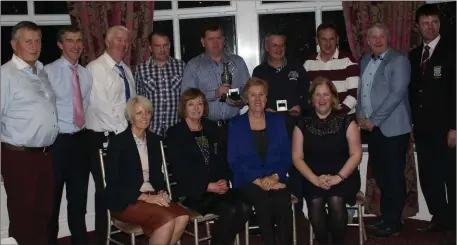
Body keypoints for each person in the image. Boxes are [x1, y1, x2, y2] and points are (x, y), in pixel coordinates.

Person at [166, 88, 251, 245]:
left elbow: (225, 159)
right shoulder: (175, 134)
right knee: (231, 210)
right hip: (193, 191)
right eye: (191, 104)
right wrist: (207, 186)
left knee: (245, 208)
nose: (196, 108)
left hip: (217, 188)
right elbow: (179, 171)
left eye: (200, 103)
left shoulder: (212, 128)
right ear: (184, 107)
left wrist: (225, 181)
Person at [0, 21, 59, 245]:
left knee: (43, 216)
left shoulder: (41, 71)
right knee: (23, 218)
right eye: (28, 41)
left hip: (45, 155)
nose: (34, 46)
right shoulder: (5, 75)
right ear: (14, 44)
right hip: (19, 157)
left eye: (37, 41)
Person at [104, 95, 189, 245]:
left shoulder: (154, 140)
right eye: (139, 113)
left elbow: (157, 175)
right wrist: (145, 197)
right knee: (166, 220)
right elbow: (113, 182)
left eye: (148, 112)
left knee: (183, 217)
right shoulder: (118, 142)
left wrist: (162, 191)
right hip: (127, 200)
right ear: (130, 117)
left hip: (152, 196)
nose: (145, 117)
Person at [356, 22, 412, 238]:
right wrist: (361, 114)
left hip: (393, 129)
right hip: (372, 128)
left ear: (388, 39)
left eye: (381, 37)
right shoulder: (364, 61)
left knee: (393, 177)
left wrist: (374, 120)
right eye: (373, 37)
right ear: (368, 41)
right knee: (381, 176)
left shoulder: (399, 61)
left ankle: (394, 222)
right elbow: (362, 91)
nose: (377, 41)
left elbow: (396, 95)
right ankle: (387, 215)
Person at [292, 76, 362, 245]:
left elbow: (356, 155)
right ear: (311, 99)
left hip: (343, 176)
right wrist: (314, 179)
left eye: (326, 94)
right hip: (312, 177)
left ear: (333, 97)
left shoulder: (347, 121)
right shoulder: (301, 123)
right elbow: (297, 157)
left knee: (336, 200)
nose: (322, 99)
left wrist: (338, 177)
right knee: (315, 202)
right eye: (317, 95)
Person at [85, 25, 136, 244]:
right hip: (105, 137)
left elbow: (131, 104)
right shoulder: (96, 68)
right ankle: (101, 238)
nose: (123, 44)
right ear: (107, 42)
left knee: (123, 185)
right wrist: (125, 135)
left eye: (126, 40)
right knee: (105, 190)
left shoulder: (125, 69)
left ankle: (121, 230)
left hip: (123, 136)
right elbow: (100, 107)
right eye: (118, 40)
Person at [409, 3, 456, 242]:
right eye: (425, 22)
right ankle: (440, 219)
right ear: (417, 26)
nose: (430, 27)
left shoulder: (452, 51)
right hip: (423, 130)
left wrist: (454, 127)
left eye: (434, 22)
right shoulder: (414, 55)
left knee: (451, 176)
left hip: (447, 131)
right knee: (430, 177)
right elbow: (412, 94)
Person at [227, 77, 293, 245]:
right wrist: (259, 180)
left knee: (282, 198)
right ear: (246, 98)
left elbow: (286, 154)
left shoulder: (278, 121)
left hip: (275, 178)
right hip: (248, 181)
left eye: (261, 94)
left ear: (266, 97)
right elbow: (234, 161)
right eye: (252, 95)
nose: (257, 99)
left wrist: (274, 177)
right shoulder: (235, 124)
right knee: (263, 200)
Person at [252, 31, 310, 216]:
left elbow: (308, 96)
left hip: (294, 126)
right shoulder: (259, 71)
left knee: (296, 166)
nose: (278, 49)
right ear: (267, 48)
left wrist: (300, 107)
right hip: (269, 128)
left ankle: (297, 210)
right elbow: (254, 98)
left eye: (281, 45)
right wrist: (263, 110)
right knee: (273, 166)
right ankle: (274, 211)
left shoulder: (297, 68)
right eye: (274, 45)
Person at [45, 26, 92, 245]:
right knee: (52, 202)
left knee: (78, 201)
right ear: (60, 45)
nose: (75, 45)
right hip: (57, 144)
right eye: (70, 41)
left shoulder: (85, 74)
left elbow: (85, 105)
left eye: (79, 40)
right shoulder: (48, 72)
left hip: (80, 142)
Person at [181, 22, 250, 128]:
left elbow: (248, 91)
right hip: (205, 125)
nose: (215, 42)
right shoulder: (193, 66)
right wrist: (215, 93)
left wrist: (241, 101)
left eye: (218, 38)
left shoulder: (238, 62)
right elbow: (186, 98)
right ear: (203, 42)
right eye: (211, 39)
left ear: (223, 40)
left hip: (235, 124)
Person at [135, 30, 185, 137]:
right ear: (150, 48)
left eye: (165, 45)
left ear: (169, 46)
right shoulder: (141, 69)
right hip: (151, 130)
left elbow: (187, 98)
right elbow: (138, 101)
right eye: (157, 46)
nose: (162, 49)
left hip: (176, 129)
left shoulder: (181, 67)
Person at [304, 22, 360, 116]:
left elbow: (354, 95)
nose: (328, 43)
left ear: (337, 40)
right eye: (324, 39)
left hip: (344, 118)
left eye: (332, 39)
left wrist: (336, 114)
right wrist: (319, 114)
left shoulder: (348, 61)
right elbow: (306, 95)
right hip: (317, 119)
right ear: (317, 40)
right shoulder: (308, 64)